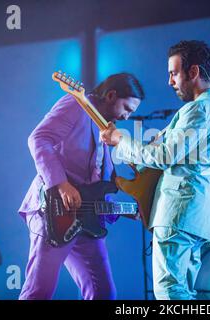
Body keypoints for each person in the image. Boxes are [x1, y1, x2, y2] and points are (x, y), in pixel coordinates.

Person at [100, 40, 210, 300]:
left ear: (193, 72)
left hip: (177, 214)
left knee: (169, 293)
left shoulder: (201, 109)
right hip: (194, 217)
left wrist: (121, 141)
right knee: (183, 291)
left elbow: (164, 156)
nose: (170, 81)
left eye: (174, 73)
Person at [18, 73, 144, 300]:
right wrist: (61, 184)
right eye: (127, 108)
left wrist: (129, 211)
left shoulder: (105, 128)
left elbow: (95, 187)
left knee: (103, 293)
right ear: (111, 95)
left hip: (84, 221)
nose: (127, 116)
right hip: (52, 211)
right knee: (39, 292)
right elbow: (38, 138)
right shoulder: (76, 104)